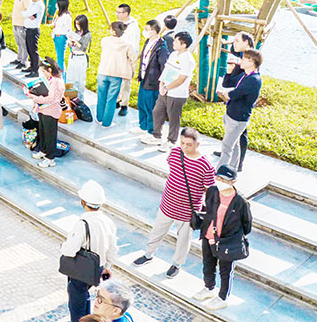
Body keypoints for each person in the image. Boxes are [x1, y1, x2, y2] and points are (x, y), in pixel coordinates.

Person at [134, 128, 215, 278]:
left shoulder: (206, 166)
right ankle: (148, 254)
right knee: (156, 231)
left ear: (197, 144)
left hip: (187, 212)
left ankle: (177, 264)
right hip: (167, 204)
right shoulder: (175, 153)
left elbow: (209, 189)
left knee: (183, 240)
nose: (184, 147)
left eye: (189, 144)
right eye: (182, 143)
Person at [193, 165, 252, 310]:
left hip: (226, 241)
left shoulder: (240, 201)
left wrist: (232, 236)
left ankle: (223, 297)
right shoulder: (213, 191)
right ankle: (209, 287)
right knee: (208, 264)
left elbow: (247, 224)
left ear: (233, 181)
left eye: (224, 180)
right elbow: (209, 210)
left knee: (225, 271)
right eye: (218, 178)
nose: (220, 182)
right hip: (208, 236)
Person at [61, 181, 118, 322]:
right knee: (84, 294)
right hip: (98, 268)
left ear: (83, 202)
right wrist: (107, 267)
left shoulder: (82, 224)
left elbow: (70, 250)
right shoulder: (108, 222)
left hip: (81, 269)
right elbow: (112, 248)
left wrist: (63, 246)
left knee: (77, 304)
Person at [141, 33, 195, 152]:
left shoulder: (188, 60)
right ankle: (156, 136)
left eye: (176, 41)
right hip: (164, 90)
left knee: (173, 118)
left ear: (184, 45)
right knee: (157, 112)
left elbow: (181, 79)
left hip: (177, 94)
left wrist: (167, 88)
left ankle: (171, 141)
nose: (173, 43)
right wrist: (161, 84)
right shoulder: (173, 54)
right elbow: (166, 71)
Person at [216, 49, 262, 171]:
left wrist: (227, 94)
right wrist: (229, 72)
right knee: (234, 144)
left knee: (227, 147)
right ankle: (233, 168)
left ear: (251, 62)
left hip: (238, 118)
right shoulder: (244, 75)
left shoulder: (253, 80)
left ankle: (220, 171)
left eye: (244, 59)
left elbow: (236, 93)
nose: (241, 61)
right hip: (231, 114)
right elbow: (227, 84)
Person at [95, 22, 137, 128]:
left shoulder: (104, 41)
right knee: (111, 99)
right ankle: (106, 123)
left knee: (101, 96)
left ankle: (99, 118)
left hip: (103, 71)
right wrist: (132, 71)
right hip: (116, 74)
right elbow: (133, 60)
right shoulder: (127, 45)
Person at [26, 58, 66, 168]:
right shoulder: (48, 79)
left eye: (44, 71)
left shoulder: (57, 82)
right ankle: (43, 151)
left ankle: (50, 158)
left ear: (50, 70)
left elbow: (51, 99)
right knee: (43, 132)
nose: (42, 73)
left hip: (51, 112)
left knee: (50, 135)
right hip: (43, 110)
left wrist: (34, 97)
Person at [134, 20, 170, 135]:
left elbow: (164, 66)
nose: (144, 32)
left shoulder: (161, 47)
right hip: (144, 78)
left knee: (151, 107)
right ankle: (143, 126)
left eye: (147, 29)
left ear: (154, 31)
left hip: (153, 82)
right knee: (141, 104)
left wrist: (163, 83)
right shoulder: (147, 42)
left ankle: (152, 131)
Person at [116, 4, 139, 116]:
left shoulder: (133, 27)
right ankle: (117, 100)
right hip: (117, 57)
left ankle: (124, 105)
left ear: (126, 13)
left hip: (127, 58)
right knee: (116, 80)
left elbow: (133, 46)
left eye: (119, 12)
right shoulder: (118, 23)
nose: (117, 14)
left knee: (125, 83)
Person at [22, 0, 45, 76]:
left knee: (33, 50)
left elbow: (26, 13)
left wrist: (27, 14)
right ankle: (32, 66)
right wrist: (27, 14)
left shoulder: (39, 5)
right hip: (28, 29)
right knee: (29, 49)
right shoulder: (33, 3)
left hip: (33, 30)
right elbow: (26, 13)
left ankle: (35, 70)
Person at [65, 15, 91, 90]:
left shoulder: (87, 34)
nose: (77, 26)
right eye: (76, 24)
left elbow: (83, 48)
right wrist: (70, 41)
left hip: (80, 58)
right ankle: (70, 95)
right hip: (73, 56)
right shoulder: (75, 32)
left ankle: (80, 96)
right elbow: (71, 46)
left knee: (80, 81)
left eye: (79, 24)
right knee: (70, 79)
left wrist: (76, 41)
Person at [11, 0, 31, 69]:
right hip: (15, 22)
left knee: (23, 43)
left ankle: (24, 61)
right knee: (18, 42)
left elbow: (28, 10)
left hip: (22, 24)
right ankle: (19, 58)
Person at [51, 0, 72, 71]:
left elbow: (68, 29)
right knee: (59, 57)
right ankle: (61, 74)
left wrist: (70, 40)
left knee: (60, 59)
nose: (55, 5)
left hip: (61, 38)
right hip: (57, 37)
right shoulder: (59, 15)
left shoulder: (66, 16)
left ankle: (61, 75)